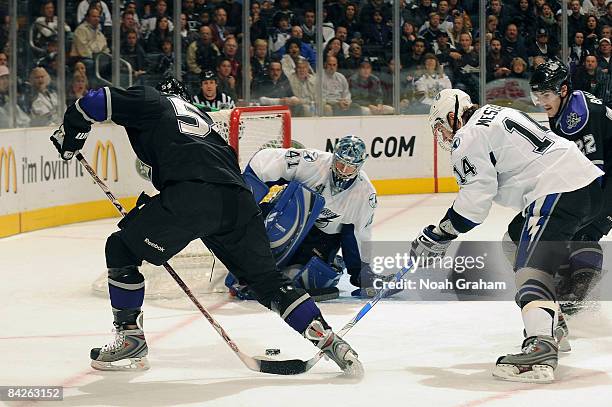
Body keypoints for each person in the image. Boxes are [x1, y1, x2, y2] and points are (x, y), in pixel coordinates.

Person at [49, 78, 362, 375]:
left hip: (192, 196)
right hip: (238, 200)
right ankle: (330, 341)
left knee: (120, 248)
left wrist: (72, 132)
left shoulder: (151, 99)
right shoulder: (204, 120)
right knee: (268, 282)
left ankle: (130, 338)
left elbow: (93, 100)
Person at [411, 88, 603, 383]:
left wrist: (439, 233)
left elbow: (474, 203)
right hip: (582, 183)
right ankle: (553, 320)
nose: (444, 136)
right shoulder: (496, 112)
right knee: (513, 239)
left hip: (557, 187)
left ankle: (541, 344)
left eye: (441, 128)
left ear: (452, 116)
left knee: (530, 269)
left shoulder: (467, 135)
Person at [243, 135, 377, 297]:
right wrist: (244, 204)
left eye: (349, 168)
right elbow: (263, 161)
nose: (343, 171)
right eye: (340, 164)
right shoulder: (313, 162)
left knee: (304, 278)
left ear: (359, 167)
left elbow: (356, 235)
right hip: (288, 216)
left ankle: (330, 261)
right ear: (334, 157)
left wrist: (362, 275)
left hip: (323, 238)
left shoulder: (365, 194)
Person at [528, 59, 612, 312]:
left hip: (606, 174)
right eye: (537, 95)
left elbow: (592, 172)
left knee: (585, 227)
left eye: (546, 94)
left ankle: (581, 286)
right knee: (576, 225)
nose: (542, 102)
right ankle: (575, 280)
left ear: (563, 90)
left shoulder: (579, 116)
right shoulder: (563, 109)